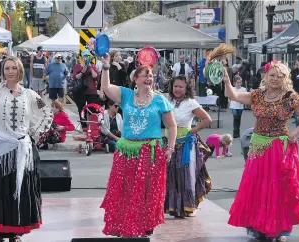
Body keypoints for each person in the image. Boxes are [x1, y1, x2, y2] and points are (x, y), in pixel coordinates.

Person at [0, 23, 53, 242]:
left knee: (18, 191)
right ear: (3, 71)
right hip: (0, 149)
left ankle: (16, 233)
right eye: (7, 68)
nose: (10, 71)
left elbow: (46, 113)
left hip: (21, 150)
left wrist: (32, 135)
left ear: (20, 71)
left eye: (14, 68)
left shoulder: (29, 95)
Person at [225, 60, 299, 241]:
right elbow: (234, 96)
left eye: (279, 76)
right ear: (266, 76)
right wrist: (226, 81)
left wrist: (294, 134)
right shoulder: (258, 94)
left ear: (285, 78)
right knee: (257, 185)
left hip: (277, 147)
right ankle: (258, 226)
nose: (275, 79)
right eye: (272, 75)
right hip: (257, 145)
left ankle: (281, 230)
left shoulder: (290, 96)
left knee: (277, 187)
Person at [99, 53, 177, 238]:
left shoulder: (159, 100)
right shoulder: (126, 95)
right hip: (127, 151)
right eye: (145, 75)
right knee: (126, 189)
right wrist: (106, 67)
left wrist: (170, 148)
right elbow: (106, 87)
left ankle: (146, 224)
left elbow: (172, 126)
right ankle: (126, 223)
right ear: (136, 79)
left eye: (150, 75)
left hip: (149, 151)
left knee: (148, 191)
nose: (149, 78)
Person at [164, 75, 212, 218]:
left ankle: (187, 207)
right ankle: (173, 207)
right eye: (175, 86)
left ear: (187, 89)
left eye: (181, 87)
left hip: (185, 144)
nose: (177, 89)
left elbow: (207, 119)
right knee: (171, 176)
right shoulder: (167, 100)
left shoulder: (191, 103)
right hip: (168, 143)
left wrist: (193, 131)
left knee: (186, 176)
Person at [72, 52, 100, 128]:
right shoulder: (78, 66)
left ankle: (92, 126)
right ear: (82, 57)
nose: (86, 57)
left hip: (91, 90)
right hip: (81, 91)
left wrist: (90, 68)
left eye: (88, 56)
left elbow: (96, 76)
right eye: (85, 56)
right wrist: (82, 71)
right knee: (81, 109)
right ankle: (84, 126)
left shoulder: (93, 66)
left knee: (92, 109)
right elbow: (75, 77)